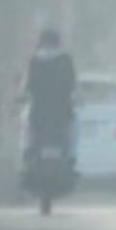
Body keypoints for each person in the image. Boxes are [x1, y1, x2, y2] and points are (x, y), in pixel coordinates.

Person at [22, 29, 77, 160]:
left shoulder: (34, 60)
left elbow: (29, 85)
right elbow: (72, 83)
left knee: (31, 135)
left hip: (38, 112)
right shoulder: (66, 60)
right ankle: (70, 154)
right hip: (62, 111)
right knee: (72, 130)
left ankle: (30, 151)